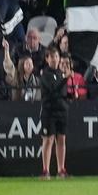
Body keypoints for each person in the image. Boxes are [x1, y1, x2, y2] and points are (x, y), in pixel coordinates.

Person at [38, 47, 70, 180]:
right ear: (47, 59)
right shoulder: (44, 74)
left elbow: (62, 92)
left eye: (56, 56)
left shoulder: (61, 72)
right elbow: (52, 89)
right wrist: (65, 79)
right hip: (48, 111)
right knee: (48, 140)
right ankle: (45, 170)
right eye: (51, 57)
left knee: (61, 139)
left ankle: (61, 170)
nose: (54, 59)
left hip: (61, 111)